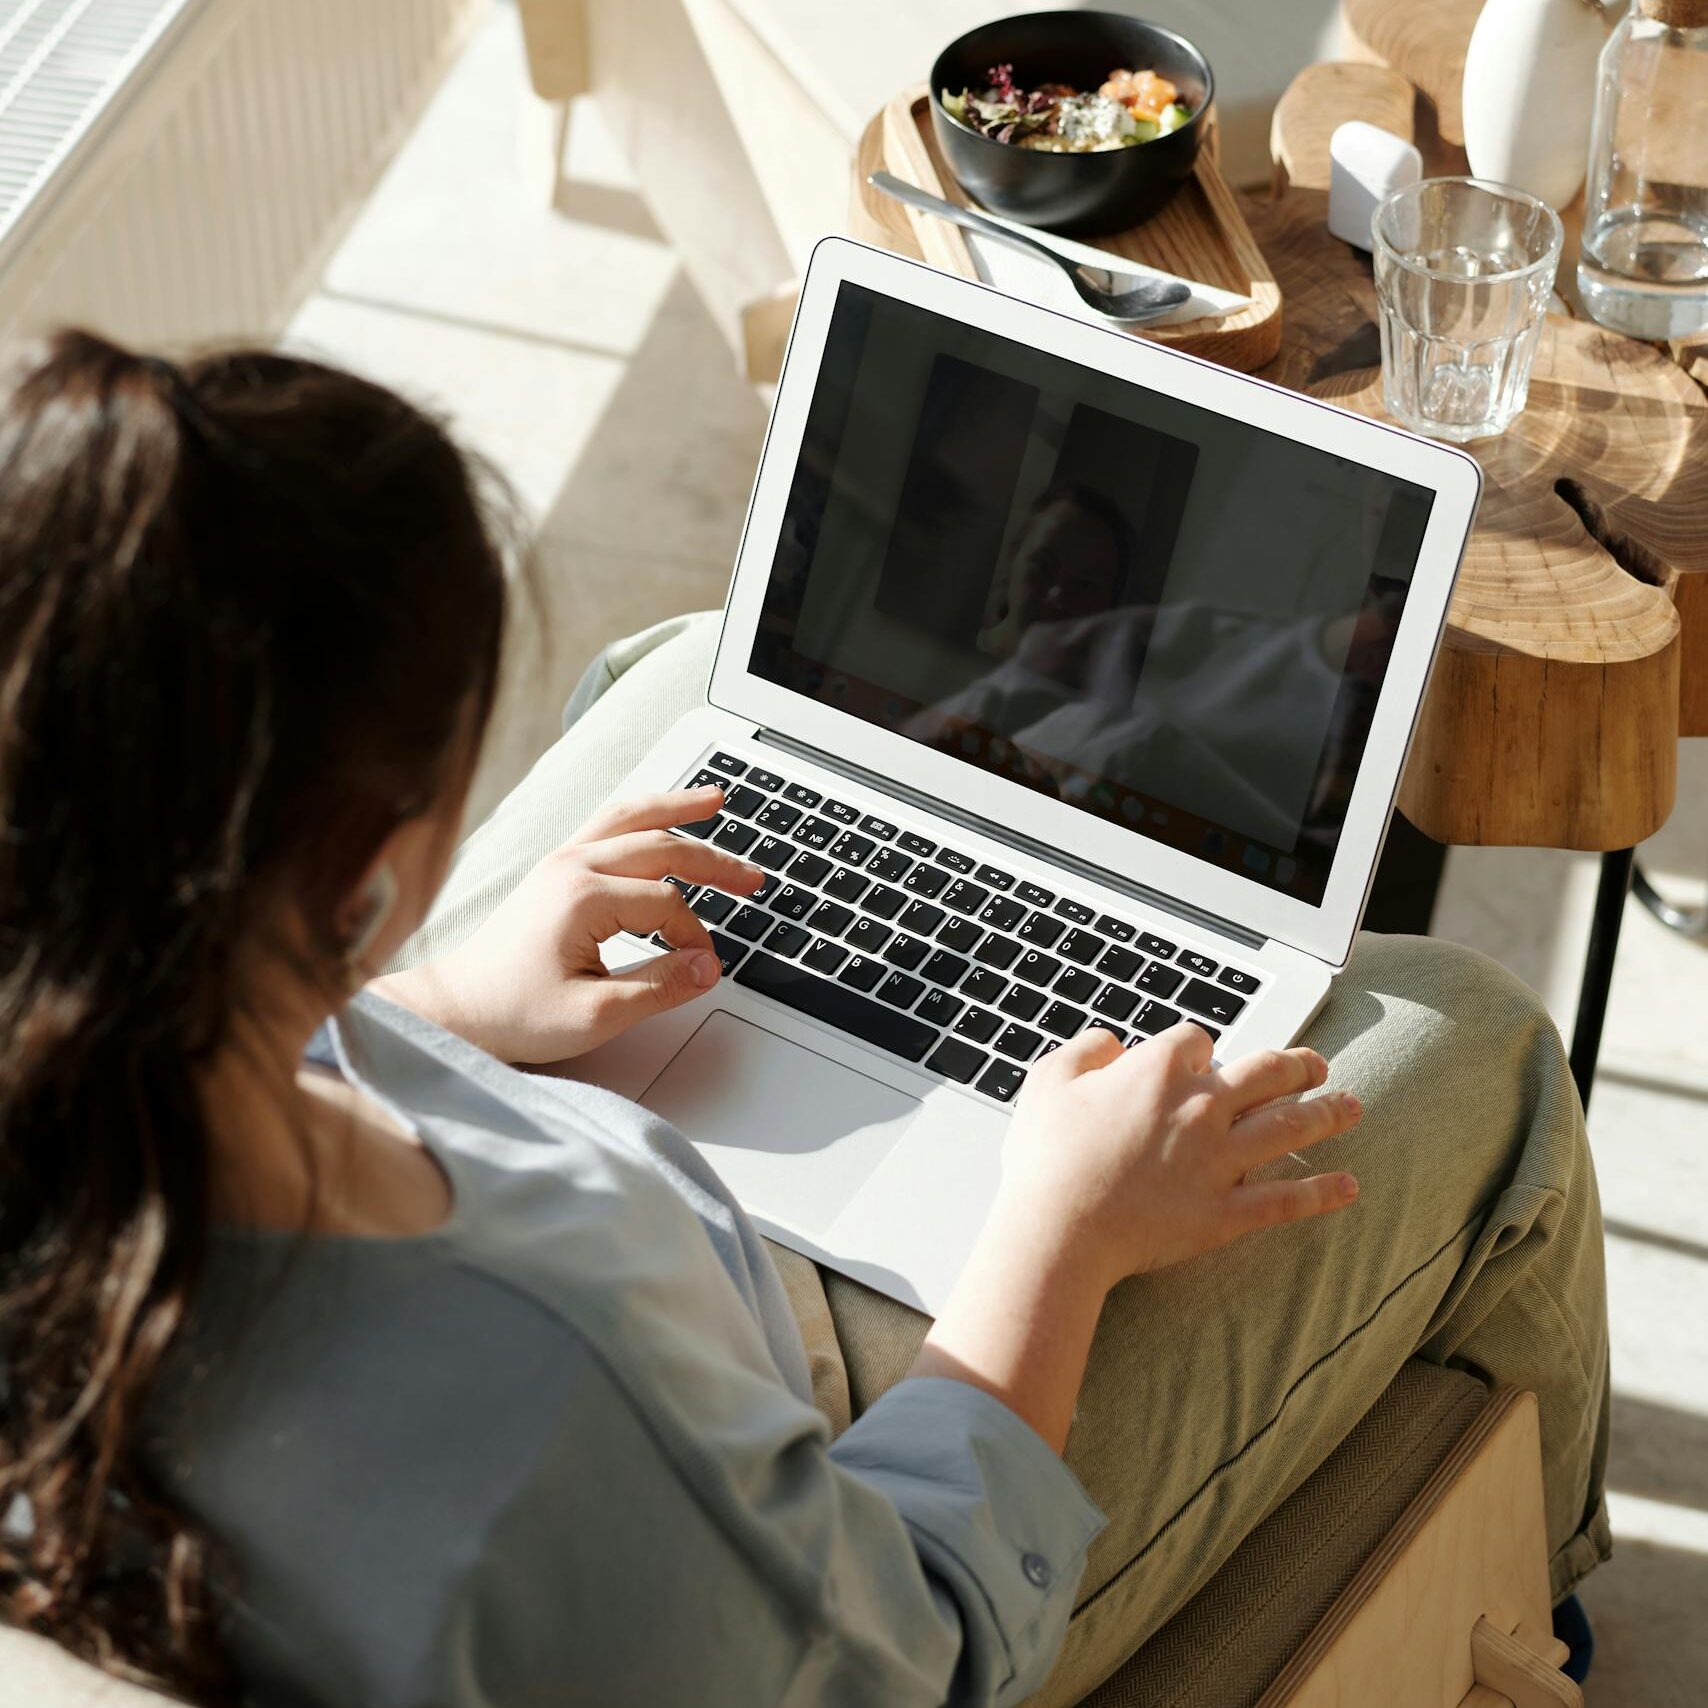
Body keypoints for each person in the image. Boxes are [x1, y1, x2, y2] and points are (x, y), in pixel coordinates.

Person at [0, 335, 1609, 1708]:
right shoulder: (554, 1394)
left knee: (696, 664)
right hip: (837, 1456)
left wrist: (419, 1015)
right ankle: (1542, 1619)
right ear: (365, 863)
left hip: (552, 1229)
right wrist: (1059, 1232)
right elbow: (915, 1643)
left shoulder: (84, 1070)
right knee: (1475, 1035)